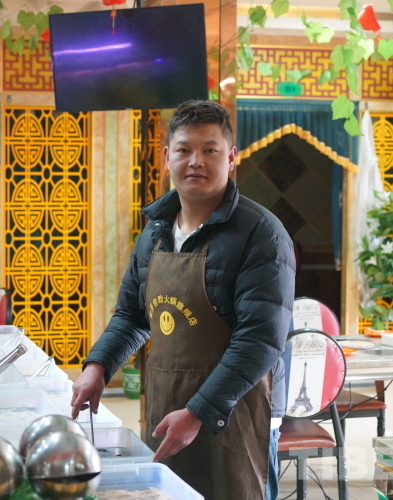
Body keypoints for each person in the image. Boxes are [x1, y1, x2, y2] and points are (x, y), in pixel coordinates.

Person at [71, 100, 295, 500]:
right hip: (168, 407)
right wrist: (98, 366)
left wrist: (198, 413)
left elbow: (259, 340)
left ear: (231, 158)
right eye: (184, 150)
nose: (196, 161)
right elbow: (132, 315)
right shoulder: (155, 232)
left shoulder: (262, 234)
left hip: (236, 413)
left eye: (210, 150)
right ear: (166, 157)